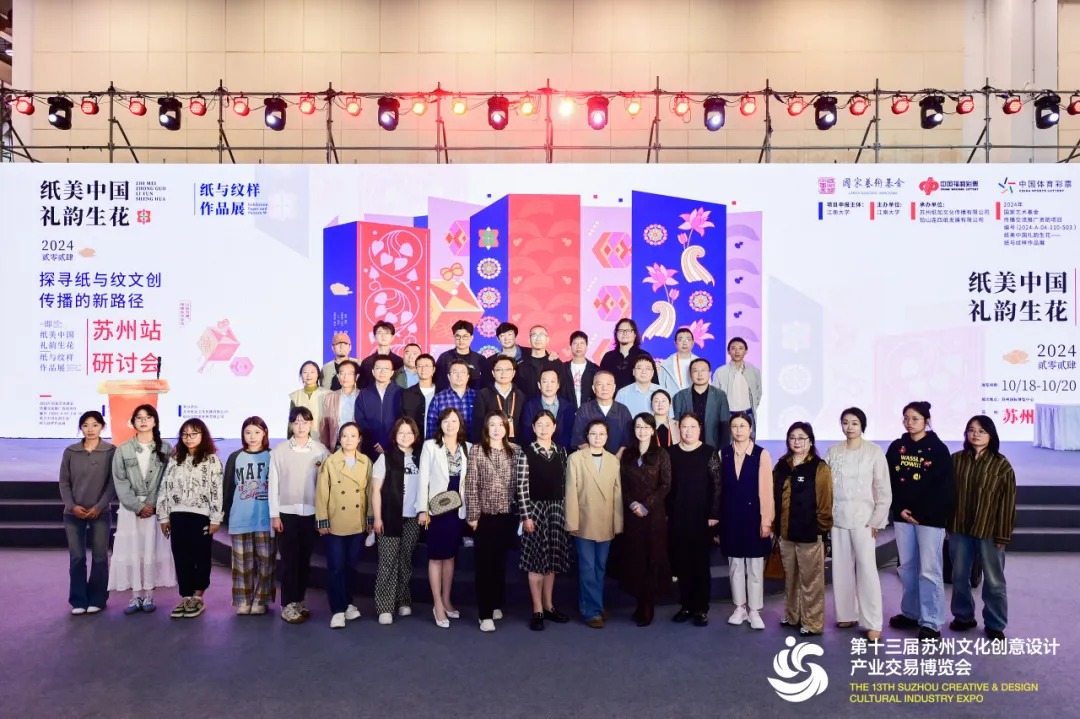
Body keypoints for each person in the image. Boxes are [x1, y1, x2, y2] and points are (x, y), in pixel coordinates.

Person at [886, 401, 955, 641]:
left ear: (926, 420)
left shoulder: (938, 449)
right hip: (902, 516)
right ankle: (911, 612)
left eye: (915, 418)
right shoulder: (897, 447)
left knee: (928, 569)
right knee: (906, 567)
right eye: (906, 418)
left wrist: (921, 514)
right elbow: (887, 481)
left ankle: (931, 622)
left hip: (929, 519)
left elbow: (944, 489)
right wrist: (899, 508)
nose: (909, 422)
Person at [825, 407, 891, 641]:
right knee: (840, 567)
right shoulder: (833, 452)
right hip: (838, 518)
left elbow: (883, 489)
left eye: (854, 423)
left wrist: (877, 520)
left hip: (865, 519)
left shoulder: (874, 452)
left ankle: (873, 622)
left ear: (862, 425)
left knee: (867, 569)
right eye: (845, 422)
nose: (849, 427)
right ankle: (846, 614)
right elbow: (825, 487)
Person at [948, 415, 1016, 642]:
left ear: (991, 435)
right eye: (971, 430)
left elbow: (1008, 502)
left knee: (994, 580)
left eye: (981, 431)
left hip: (990, 531)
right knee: (959, 576)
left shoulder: (1002, 465)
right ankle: (963, 616)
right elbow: (947, 494)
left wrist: (1003, 535)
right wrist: (948, 523)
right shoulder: (956, 460)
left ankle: (995, 624)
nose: (975, 434)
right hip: (959, 527)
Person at [109, 404, 176, 614]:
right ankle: (135, 596)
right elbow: (120, 481)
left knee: (151, 550)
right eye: (139, 417)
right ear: (133, 422)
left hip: (156, 508)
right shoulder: (123, 449)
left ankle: (149, 595)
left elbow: (170, 479)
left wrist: (154, 505)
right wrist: (137, 506)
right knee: (132, 549)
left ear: (155, 421)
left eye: (148, 417)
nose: (143, 421)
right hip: (131, 509)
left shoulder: (166, 449)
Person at [270, 406, 331, 624]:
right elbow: (273, 484)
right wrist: (274, 515)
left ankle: (299, 600)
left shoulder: (321, 450)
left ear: (311, 424)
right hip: (286, 513)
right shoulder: (279, 451)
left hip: (311, 512)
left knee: (304, 560)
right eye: (296, 422)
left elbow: (327, 483)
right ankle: (287, 604)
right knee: (289, 561)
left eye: (305, 422)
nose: (301, 426)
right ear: (290, 425)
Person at [157, 418, 223, 620]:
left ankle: (198, 597)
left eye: (194, 434)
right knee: (181, 555)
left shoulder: (212, 460)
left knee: (201, 556)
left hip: (201, 516)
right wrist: (163, 516)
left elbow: (217, 490)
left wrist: (215, 518)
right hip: (177, 514)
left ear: (203, 435)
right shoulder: (175, 459)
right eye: (185, 434)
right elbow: (165, 487)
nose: (189, 438)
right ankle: (186, 596)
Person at [773, 422, 833, 637]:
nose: (796, 442)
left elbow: (825, 503)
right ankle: (792, 616)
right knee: (791, 578)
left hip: (810, 534)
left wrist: (821, 530)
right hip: (786, 533)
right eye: (792, 438)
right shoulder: (781, 465)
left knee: (811, 581)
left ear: (810, 441)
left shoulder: (820, 468)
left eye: (801, 438)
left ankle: (813, 623)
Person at [515, 410, 573, 631]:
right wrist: (526, 515)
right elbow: (521, 486)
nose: (543, 428)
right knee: (536, 561)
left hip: (556, 510)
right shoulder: (526, 452)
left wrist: (567, 513)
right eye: (539, 424)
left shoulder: (561, 452)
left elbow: (566, 484)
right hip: (535, 510)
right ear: (533, 428)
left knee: (552, 561)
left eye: (547, 424)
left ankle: (549, 605)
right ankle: (537, 609)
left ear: (554, 427)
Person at [465, 411, 521, 632]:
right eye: (492, 425)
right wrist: (473, 515)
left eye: (501, 424)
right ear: (486, 428)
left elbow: (520, 484)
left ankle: (497, 602)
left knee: (499, 563)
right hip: (484, 516)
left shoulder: (515, 451)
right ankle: (485, 613)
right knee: (484, 565)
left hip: (507, 515)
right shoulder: (477, 450)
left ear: (507, 427)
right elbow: (471, 484)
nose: (497, 429)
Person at [565, 419, 623, 628]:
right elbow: (571, 491)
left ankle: (594, 604)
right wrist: (572, 521)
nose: (597, 437)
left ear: (607, 437)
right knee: (587, 567)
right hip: (584, 520)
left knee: (600, 567)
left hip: (606, 521)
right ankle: (592, 612)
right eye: (593, 433)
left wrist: (618, 523)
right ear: (586, 436)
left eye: (602, 434)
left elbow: (617, 493)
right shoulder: (575, 458)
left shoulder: (613, 460)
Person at [719, 412, 774, 630]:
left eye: (743, 426)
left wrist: (766, 520)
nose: (738, 430)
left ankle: (754, 610)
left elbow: (767, 491)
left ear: (750, 429)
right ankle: (740, 607)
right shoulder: (723, 453)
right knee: (735, 565)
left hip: (754, 517)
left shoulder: (761, 454)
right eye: (735, 426)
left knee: (754, 566)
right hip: (730, 516)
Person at [417, 407, 470, 628]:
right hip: (436, 509)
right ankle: (437, 604)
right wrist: (423, 509)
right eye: (446, 421)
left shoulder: (468, 447)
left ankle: (447, 600)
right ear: (440, 424)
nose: (450, 424)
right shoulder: (430, 446)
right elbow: (423, 479)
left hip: (457, 509)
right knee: (436, 556)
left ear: (460, 424)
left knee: (450, 556)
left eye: (454, 421)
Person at [316, 422, 372, 629]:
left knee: (351, 566)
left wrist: (370, 517)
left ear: (359, 439)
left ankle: (348, 603)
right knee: (336, 567)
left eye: (353, 436)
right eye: (345, 436)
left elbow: (369, 491)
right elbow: (322, 492)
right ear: (339, 439)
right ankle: (337, 610)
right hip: (335, 523)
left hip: (357, 522)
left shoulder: (366, 462)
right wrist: (322, 519)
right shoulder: (330, 462)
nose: (349, 440)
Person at [667, 413, 722, 627]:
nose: (688, 430)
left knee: (700, 564)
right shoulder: (671, 452)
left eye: (692, 426)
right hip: (677, 516)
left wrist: (714, 514)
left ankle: (701, 608)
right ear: (678, 428)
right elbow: (667, 486)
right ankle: (686, 606)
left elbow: (717, 486)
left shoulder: (709, 452)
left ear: (699, 428)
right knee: (682, 562)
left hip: (702, 517)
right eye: (684, 426)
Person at [618, 413, 673, 627]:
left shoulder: (661, 454)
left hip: (654, 516)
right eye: (638, 427)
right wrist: (632, 503)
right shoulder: (627, 454)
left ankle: (647, 606)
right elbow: (621, 484)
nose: (642, 431)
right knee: (636, 559)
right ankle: (639, 602)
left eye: (646, 427)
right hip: (632, 516)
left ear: (652, 430)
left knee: (652, 558)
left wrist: (646, 505)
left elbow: (666, 484)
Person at [60, 410, 116, 615]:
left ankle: (98, 599)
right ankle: (78, 600)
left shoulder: (110, 451)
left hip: (100, 512)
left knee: (100, 557)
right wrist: (72, 506)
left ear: (102, 426)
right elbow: (64, 482)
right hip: (72, 513)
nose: (90, 429)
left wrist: (99, 507)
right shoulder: (70, 451)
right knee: (77, 557)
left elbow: (112, 484)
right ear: (80, 428)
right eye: (85, 425)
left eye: (95, 425)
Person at [371, 418, 423, 625]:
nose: (405, 436)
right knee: (388, 562)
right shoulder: (385, 458)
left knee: (405, 561)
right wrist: (377, 518)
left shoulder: (420, 458)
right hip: (390, 516)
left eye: (409, 433)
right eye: (401, 432)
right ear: (394, 435)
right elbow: (375, 490)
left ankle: (403, 600)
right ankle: (385, 606)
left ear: (415, 435)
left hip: (413, 517)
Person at [222, 416, 275, 616]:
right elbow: (228, 488)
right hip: (240, 518)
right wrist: (224, 515)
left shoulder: (272, 456)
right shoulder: (235, 457)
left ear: (264, 433)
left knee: (266, 562)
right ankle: (243, 599)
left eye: (257, 432)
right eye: (248, 432)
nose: (252, 436)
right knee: (242, 563)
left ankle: (261, 599)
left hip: (265, 518)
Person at [570, 370, 633, 456]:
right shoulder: (584, 409)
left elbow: (627, 441)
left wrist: (615, 459)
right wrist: (597, 458)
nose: (604, 388)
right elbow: (579, 440)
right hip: (590, 459)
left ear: (614, 387)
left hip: (618, 460)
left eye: (608, 384)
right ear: (593, 388)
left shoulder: (623, 410)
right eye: (600, 384)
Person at [673, 358, 730, 450]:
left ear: (710, 373)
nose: (700, 374)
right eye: (696, 371)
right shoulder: (680, 396)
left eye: (703, 370)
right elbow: (675, 425)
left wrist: (723, 450)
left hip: (712, 447)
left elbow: (725, 425)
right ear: (690, 374)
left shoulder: (720, 395)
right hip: (687, 448)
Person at [356, 356, 403, 461]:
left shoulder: (401, 393)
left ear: (392, 372)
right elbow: (360, 420)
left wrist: (387, 441)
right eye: (378, 368)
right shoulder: (364, 393)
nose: (382, 371)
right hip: (370, 447)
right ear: (373, 372)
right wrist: (375, 440)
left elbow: (402, 419)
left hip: (395, 445)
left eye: (386, 368)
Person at [711, 337, 763, 430]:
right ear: (728, 351)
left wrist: (752, 407)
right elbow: (714, 395)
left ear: (746, 351)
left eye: (740, 348)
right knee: (727, 439)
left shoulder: (754, 371)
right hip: (727, 415)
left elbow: (758, 392)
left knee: (749, 439)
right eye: (733, 348)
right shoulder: (720, 372)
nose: (737, 351)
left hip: (748, 414)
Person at [473, 355, 526, 442]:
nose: (503, 373)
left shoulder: (520, 395)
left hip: (515, 444)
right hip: (490, 444)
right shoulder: (483, 394)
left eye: (507, 370)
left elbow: (523, 424)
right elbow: (478, 424)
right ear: (493, 373)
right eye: (499, 370)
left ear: (513, 373)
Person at [520, 367, 575, 447]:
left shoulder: (569, 407)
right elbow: (527, 433)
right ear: (539, 385)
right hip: (536, 451)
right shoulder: (529, 406)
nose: (549, 386)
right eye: (545, 382)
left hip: (563, 451)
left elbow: (570, 434)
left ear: (558, 385)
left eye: (552, 382)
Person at [427, 358, 479, 442]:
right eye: (455, 372)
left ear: (468, 376)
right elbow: (431, 429)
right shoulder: (438, 399)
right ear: (449, 377)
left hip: (474, 446)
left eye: (462, 372)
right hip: (445, 447)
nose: (459, 375)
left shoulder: (478, 397)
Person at [318, 359, 361, 450]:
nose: (345, 377)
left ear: (356, 377)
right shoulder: (330, 397)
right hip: (335, 446)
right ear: (338, 376)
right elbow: (325, 426)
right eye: (342, 373)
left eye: (350, 373)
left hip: (358, 447)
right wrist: (325, 449)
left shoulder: (363, 396)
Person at [599, 318, 653, 390]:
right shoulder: (608, 357)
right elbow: (600, 380)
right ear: (616, 334)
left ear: (635, 334)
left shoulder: (644, 356)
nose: (624, 333)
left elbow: (653, 383)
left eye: (628, 330)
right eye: (621, 331)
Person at [434, 320, 486, 391]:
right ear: (453, 337)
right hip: (449, 397)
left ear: (471, 338)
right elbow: (438, 382)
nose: (461, 340)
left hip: (475, 397)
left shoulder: (480, 359)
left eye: (465, 336)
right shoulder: (444, 358)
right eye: (458, 336)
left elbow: (485, 384)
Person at [515, 324, 561, 401]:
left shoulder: (556, 363)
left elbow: (562, 388)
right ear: (529, 340)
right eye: (534, 335)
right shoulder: (520, 364)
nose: (538, 338)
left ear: (547, 339)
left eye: (541, 335)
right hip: (526, 406)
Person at [289, 360, 330, 445]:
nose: (309, 375)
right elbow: (291, 421)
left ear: (318, 375)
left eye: (312, 372)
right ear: (301, 375)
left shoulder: (328, 394)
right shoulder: (295, 396)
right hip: (300, 441)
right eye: (305, 372)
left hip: (323, 440)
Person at [400, 352, 437, 445]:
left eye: (427, 366)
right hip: (414, 444)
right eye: (420, 366)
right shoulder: (406, 394)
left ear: (434, 369)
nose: (423, 369)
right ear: (416, 369)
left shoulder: (441, 394)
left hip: (437, 443)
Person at [358, 321, 405, 390]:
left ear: (392, 337)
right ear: (374, 337)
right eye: (380, 333)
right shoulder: (367, 362)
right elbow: (362, 386)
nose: (383, 336)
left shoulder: (399, 361)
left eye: (387, 333)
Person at [615, 354, 663, 418]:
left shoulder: (663, 392)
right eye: (639, 368)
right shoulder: (622, 393)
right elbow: (616, 418)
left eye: (647, 368)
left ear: (652, 373)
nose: (643, 372)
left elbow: (669, 418)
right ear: (633, 372)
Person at [560, 330, 599, 409]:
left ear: (587, 346)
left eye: (582, 343)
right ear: (570, 346)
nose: (579, 346)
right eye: (575, 343)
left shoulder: (595, 369)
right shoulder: (563, 368)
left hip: (589, 412)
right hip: (567, 411)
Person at [482, 322, 528, 387]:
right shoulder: (490, 361)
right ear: (498, 339)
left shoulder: (529, 353)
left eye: (509, 334)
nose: (506, 339)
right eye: (502, 336)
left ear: (515, 336)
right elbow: (487, 384)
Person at [657, 327, 698, 395]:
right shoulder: (665, 365)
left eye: (688, 339)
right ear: (675, 343)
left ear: (693, 343)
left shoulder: (701, 364)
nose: (684, 343)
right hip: (673, 400)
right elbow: (661, 388)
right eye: (680, 339)